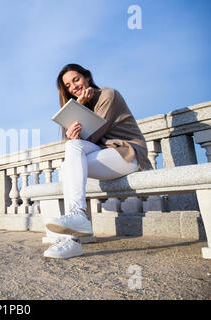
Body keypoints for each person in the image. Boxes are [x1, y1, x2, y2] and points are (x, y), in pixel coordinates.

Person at [43, 63, 153, 259]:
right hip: (105, 154)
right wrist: (70, 134)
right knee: (70, 152)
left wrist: (80, 107)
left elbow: (92, 135)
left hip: (128, 153)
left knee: (70, 164)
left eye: (76, 80)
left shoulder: (107, 95)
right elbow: (77, 145)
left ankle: (73, 237)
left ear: (87, 77)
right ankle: (77, 221)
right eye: (68, 85)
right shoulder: (77, 107)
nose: (73, 86)